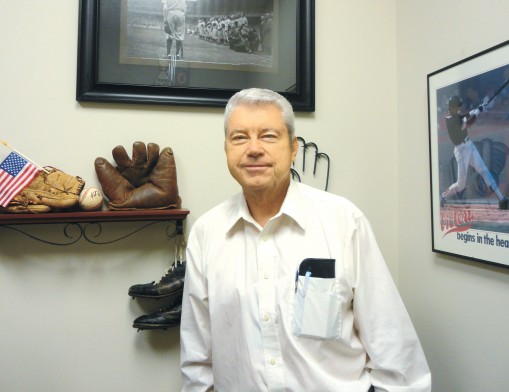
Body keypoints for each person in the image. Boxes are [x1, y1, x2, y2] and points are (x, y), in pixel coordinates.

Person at [180, 88, 432, 391]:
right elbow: (198, 359)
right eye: (240, 137)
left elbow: (393, 348)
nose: (254, 148)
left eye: (269, 136)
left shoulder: (343, 221)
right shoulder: (207, 233)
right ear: (226, 149)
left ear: (294, 148)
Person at [441, 94, 508, 209]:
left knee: (483, 170)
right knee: (461, 184)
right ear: (451, 107)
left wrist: (478, 108)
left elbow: (463, 116)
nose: (458, 109)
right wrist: (477, 113)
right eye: (456, 107)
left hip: (469, 145)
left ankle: (502, 200)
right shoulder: (451, 121)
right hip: (461, 151)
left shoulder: (453, 115)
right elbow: (468, 123)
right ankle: (443, 197)